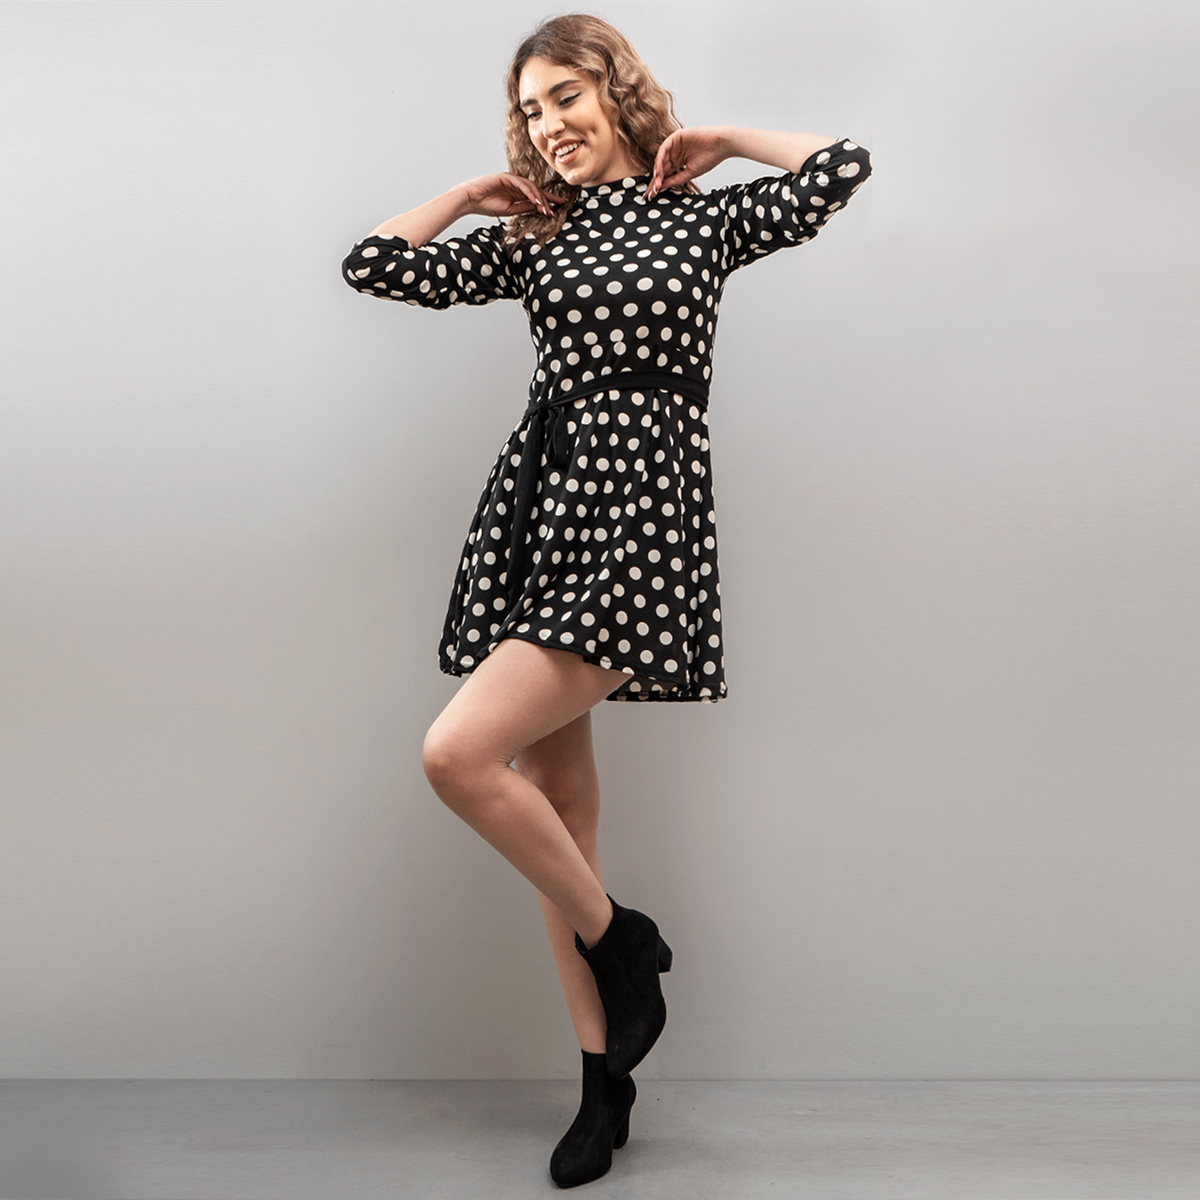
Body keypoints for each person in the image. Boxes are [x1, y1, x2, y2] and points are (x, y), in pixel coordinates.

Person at [342, 13, 871, 1188]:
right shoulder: (539, 234)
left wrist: (724, 139)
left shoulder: (700, 216)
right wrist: (466, 196)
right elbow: (374, 264)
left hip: (644, 517)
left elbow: (840, 166)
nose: (547, 126)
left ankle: (621, 942)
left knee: (456, 755)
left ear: (615, 91)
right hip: (544, 517)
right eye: (529, 111)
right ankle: (603, 1081)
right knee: (562, 815)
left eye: (564, 98)